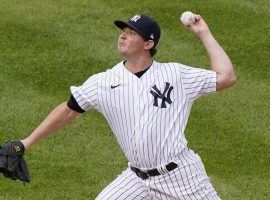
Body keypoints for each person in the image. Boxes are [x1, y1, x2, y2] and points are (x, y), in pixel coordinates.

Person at [20, 13, 236, 199]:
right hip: (137, 179)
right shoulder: (103, 82)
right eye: (123, 30)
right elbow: (68, 111)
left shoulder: (176, 75)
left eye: (132, 33)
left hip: (181, 177)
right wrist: (26, 142)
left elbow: (226, 77)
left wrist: (204, 34)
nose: (123, 35)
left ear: (148, 44)